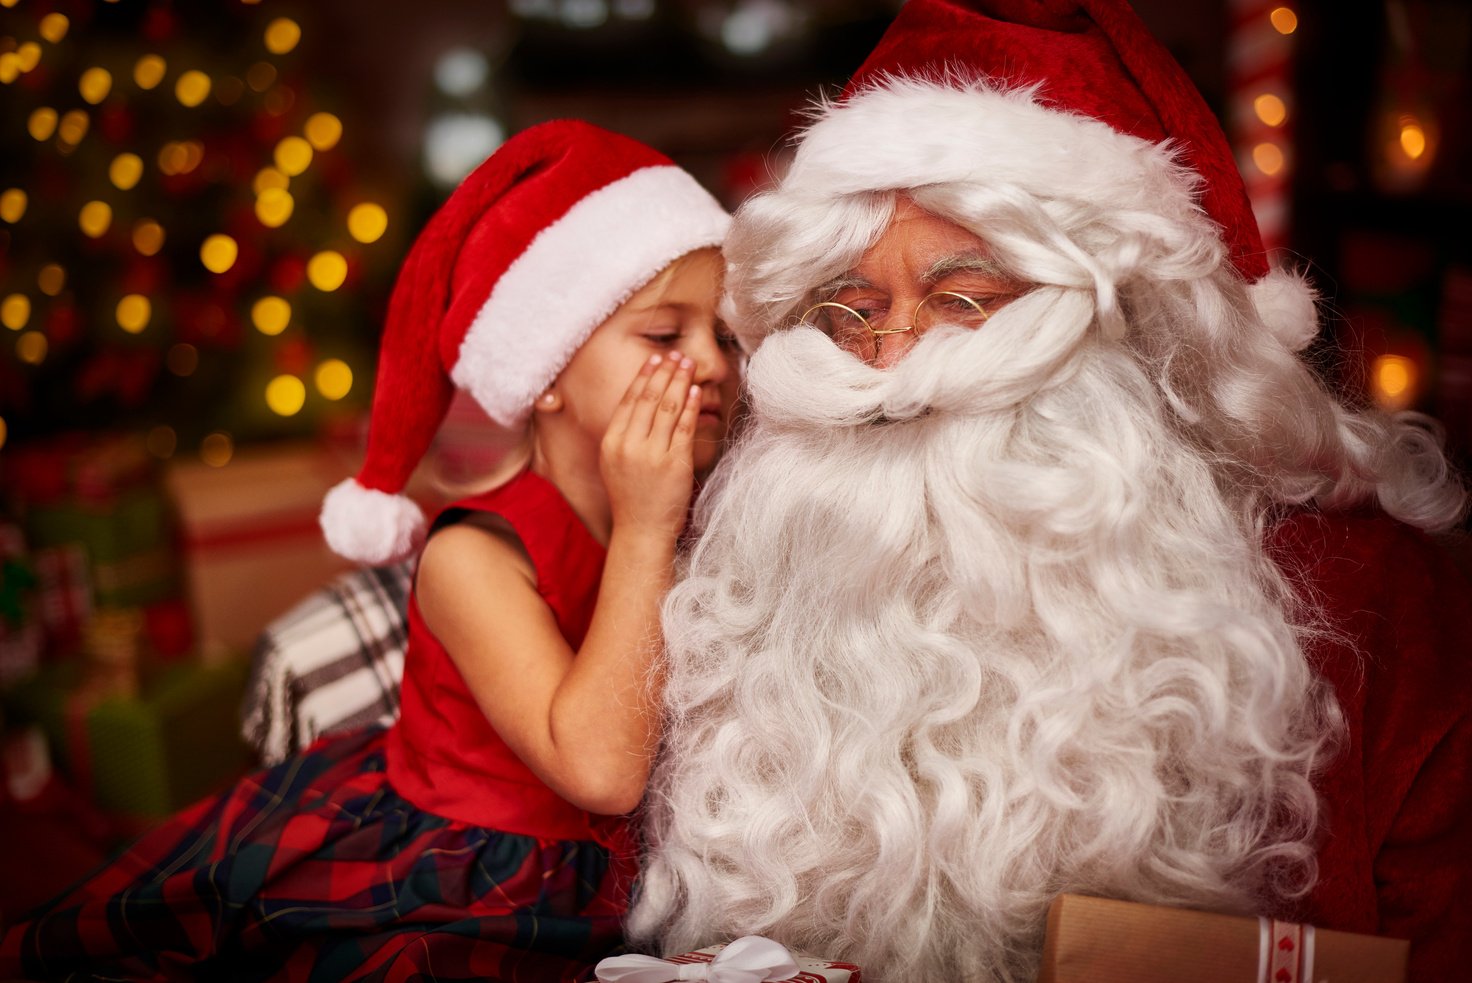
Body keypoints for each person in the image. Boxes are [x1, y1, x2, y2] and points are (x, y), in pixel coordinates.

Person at [628, 2, 1472, 981]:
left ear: (1137, 333)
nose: (898, 355)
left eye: (963, 298)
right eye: (848, 313)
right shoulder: (728, 596)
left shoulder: (1375, 604)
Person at [0, 120, 738, 982]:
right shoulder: (474, 558)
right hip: (473, 878)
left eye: (723, 335)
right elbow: (602, 773)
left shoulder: (708, 522)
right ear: (544, 374)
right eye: (665, 336)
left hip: (644, 872)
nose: (712, 364)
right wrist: (647, 529)